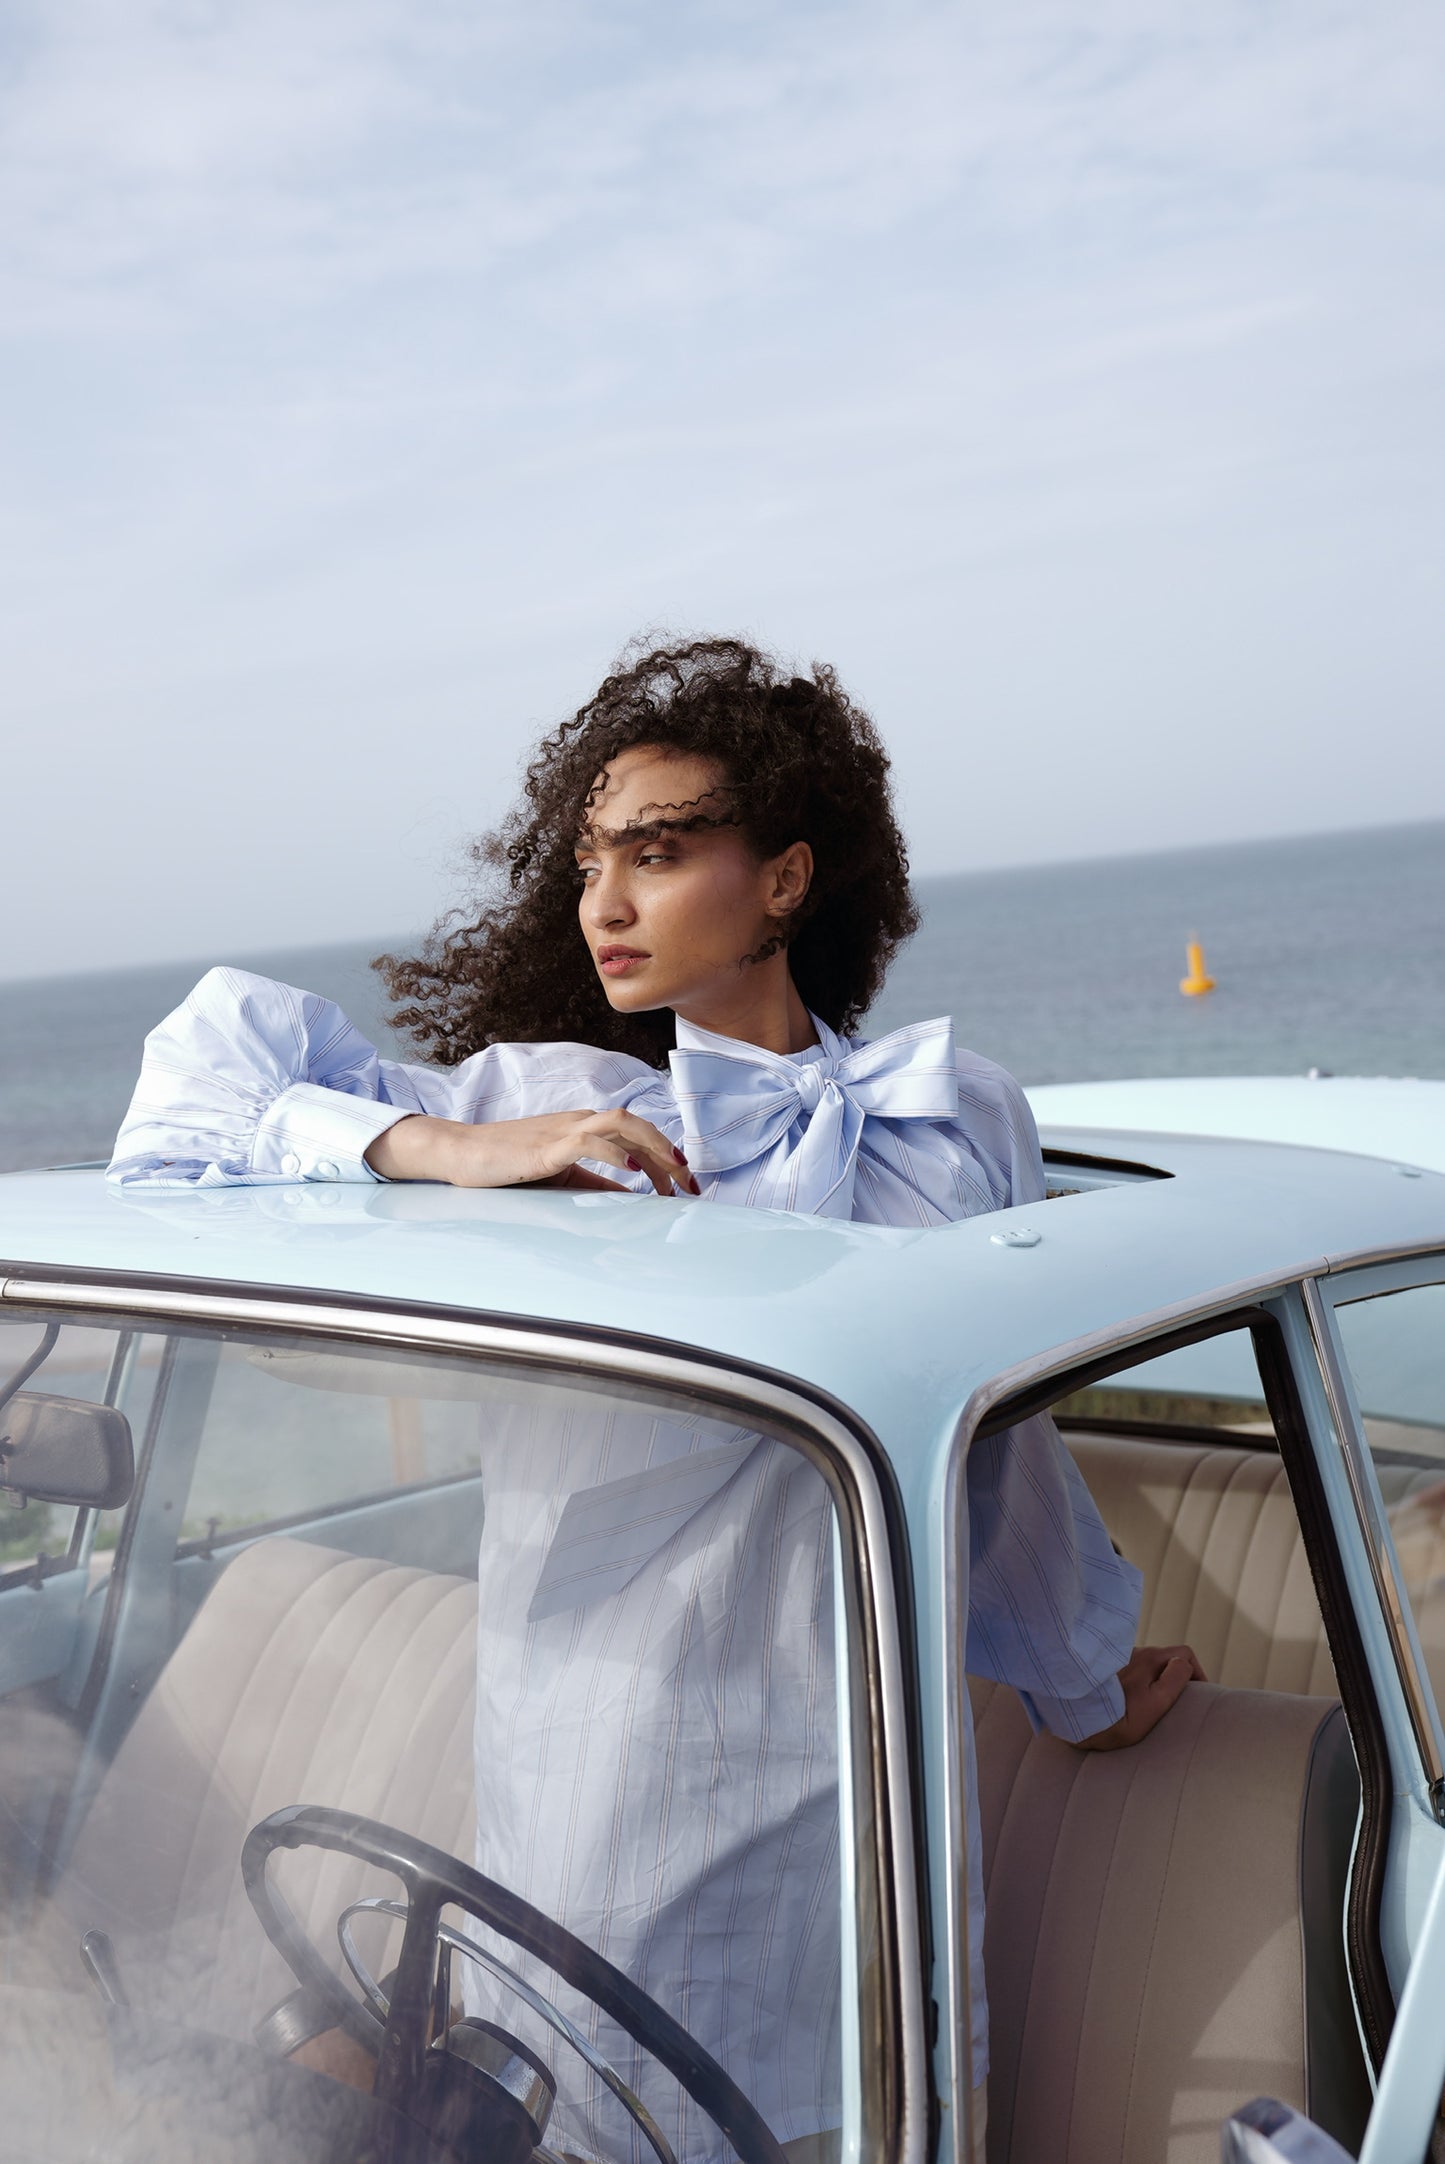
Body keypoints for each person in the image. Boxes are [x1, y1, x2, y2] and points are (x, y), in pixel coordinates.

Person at [109, 636, 1202, 2161]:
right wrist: (437, 1151)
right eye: (589, 860)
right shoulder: (547, 1111)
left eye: (659, 852)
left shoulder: (947, 1114)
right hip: (591, 1797)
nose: (604, 902)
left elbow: (991, 1444)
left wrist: (1076, 1688)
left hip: (857, 1791)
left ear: (786, 879)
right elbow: (185, 1097)